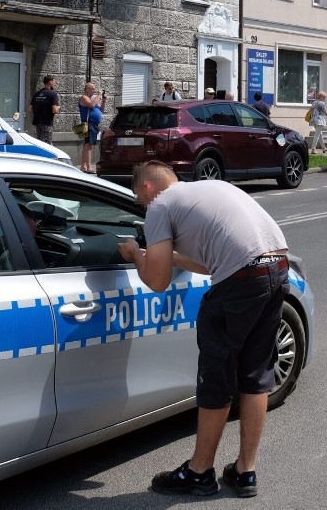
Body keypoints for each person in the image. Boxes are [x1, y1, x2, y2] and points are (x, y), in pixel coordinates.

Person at [117, 161, 288, 499]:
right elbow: (217, 258)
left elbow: (157, 280)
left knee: (216, 378)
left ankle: (199, 473)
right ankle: (245, 472)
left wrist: (136, 254)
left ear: (148, 188)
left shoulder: (159, 205)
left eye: (139, 198)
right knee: (255, 375)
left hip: (240, 282)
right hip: (276, 267)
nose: (141, 205)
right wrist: (177, 259)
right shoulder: (207, 189)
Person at [78, 82, 106, 173]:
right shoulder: (84, 98)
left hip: (94, 125)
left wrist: (104, 100)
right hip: (88, 124)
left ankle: (83, 166)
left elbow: (101, 109)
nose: (94, 91)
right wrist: (99, 95)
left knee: (87, 145)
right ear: (87, 89)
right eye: (92, 89)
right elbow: (91, 105)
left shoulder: (92, 99)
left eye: (95, 89)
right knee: (88, 145)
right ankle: (89, 167)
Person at [29, 75, 60, 144]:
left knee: (40, 143)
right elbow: (55, 110)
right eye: (54, 82)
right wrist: (58, 108)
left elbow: (30, 109)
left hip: (37, 123)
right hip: (47, 123)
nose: (54, 83)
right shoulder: (53, 94)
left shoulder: (36, 94)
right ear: (50, 82)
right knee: (46, 144)